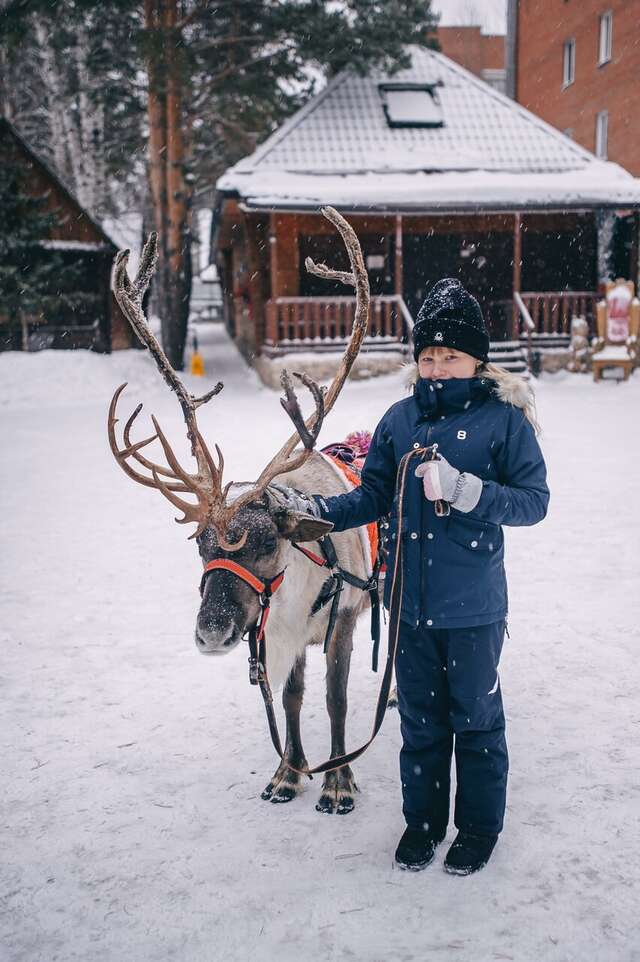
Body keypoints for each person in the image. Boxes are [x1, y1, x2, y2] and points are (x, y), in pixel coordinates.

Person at [290, 278, 549, 875]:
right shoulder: (399, 419)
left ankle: (479, 829)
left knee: (476, 722)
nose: (436, 367)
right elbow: (373, 495)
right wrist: (318, 511)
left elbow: (534, 501)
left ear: (476, 359)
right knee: (422, 722)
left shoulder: (503, 422)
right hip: (407, 606)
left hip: (474, 608)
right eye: (427, 356)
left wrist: (469, 491)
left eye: (449, 356)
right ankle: (423, 825)